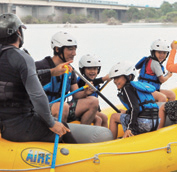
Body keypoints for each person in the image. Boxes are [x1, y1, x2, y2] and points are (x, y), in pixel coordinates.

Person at [0, 13, 76, 143]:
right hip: (20, 126)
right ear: (18, 32)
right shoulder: (22, 58)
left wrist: (51, 72)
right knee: (63, 128)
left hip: (4, 125)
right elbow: (38, 96)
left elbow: (18, 80)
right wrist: (52, 123)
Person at [35, 31, 98, 125]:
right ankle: (60, 137)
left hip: (62, 108)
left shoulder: (69, 70)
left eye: (75, 49)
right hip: (41, 110)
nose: (74, 53)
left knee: (93, 101)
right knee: (62, 106)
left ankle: (81, 134)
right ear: (57, 49)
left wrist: (85, 92)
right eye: (70, 49)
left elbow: (76, 95)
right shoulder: (40, 66)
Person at [108, 61, 159, 139]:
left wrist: (130, 128)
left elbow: (135, 108)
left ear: (129, 77)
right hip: (155, 122)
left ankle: (111, 143)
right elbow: (140, 107)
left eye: (118, 77)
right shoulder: (136, 86)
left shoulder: (126, 88)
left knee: (114, 117)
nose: (115, 81)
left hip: (144, 123)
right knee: (125, 114)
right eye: (114, 78)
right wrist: (126, 112)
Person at [77, 54, 109, 127]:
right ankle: (96, 137)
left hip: (92, 108)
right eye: (89, 69)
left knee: (104, 117)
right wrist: (104, 78)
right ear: (83, 69)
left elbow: (94, 82)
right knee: (99, 119)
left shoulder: (93, 80)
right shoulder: (82, 80)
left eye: (95, 69)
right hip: (82, 109)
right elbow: (91, 83)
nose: (92, 71)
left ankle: (106, 137)